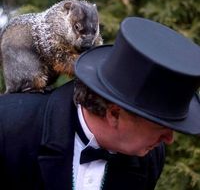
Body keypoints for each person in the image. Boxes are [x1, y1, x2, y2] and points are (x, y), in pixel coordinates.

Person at [0, 17, 200, 190]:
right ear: (113, 114)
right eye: (160, 125)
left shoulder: (150, 156)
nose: (169, 139)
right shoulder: (8, 128)